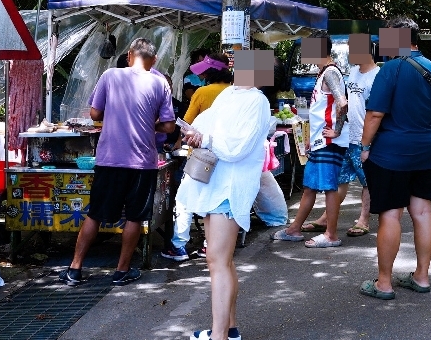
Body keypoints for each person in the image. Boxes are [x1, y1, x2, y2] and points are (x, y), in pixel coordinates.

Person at [62, 38, 175, 286]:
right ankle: (121, 271)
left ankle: (75, 269)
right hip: (142, 162)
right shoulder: (160, 83)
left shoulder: (110, 76)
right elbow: (168, 125)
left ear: (129, 56)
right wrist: (149, 123)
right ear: (153, 60)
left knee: (95, 214)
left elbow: (94, 114)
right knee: (134, 217)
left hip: (109, 159)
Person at [178, 52, 273, 340]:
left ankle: (219, 335)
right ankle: (228, 330)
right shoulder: (230, 94)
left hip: (230, 188)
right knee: (222, 261)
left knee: (218, 262)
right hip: (216, 183)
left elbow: (238, 147)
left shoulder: (257, 100)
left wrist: (203, 138)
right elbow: (210, 125)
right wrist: (194, 133)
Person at [359, 17, 431, 300]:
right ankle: (421, 277)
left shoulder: (392, 69)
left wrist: (364, 145)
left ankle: (384, 283)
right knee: (422, 212)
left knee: (391, 214)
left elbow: (374, 114)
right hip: (430, 150)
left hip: (392, 153)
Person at [272, 37, 348, 248]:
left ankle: (331, 234)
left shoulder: (330, 72)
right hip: (320, 141)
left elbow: (342, 102)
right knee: (310, 187)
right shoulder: (326, 72)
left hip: (328, 142)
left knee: (329, 188)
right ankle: (294, 229)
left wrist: (337, 131)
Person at [306, 34, 379, 237]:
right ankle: (326, 218)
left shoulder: (378, 76)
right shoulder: (353, 72)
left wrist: (368, 142)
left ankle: (363, 219)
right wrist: (338, 129)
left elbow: (378, 112)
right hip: (347, 136)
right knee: (340, 179)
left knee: (367, 181)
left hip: (365, 139)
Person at [184, 55, 233, 124]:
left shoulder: (202, 92)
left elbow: (187, 122)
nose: (203, 74)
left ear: (210, 73)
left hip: (203, 134)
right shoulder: (236, 91)